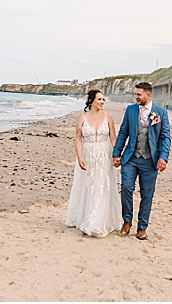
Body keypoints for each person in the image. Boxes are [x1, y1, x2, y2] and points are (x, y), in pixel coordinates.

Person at [112, 81, 171, 240]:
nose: (136, 97)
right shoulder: (131, 110)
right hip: (131, 157)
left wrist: (163, 158)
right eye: (135, 94)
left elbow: (165, 138)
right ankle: (127, 220)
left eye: (139, 94)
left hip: (150, 160)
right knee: (126, 188)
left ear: (148, 95)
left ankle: (142, 227)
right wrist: (116, 154)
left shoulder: (161, 113)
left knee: (147, 194)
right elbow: (123, 132)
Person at [65, 89, 121, 237]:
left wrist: (117, 154)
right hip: (87, 155)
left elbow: (113, 138)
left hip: (104, 154)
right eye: (99, 99)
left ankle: (95, 222)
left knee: (101, 186)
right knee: (88, 185)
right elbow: (78, 139)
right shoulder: (82, 117)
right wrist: (79, 157)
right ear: (91, 101)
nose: (102, 102)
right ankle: (86, 216)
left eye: (103, 99)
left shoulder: (108, 116)